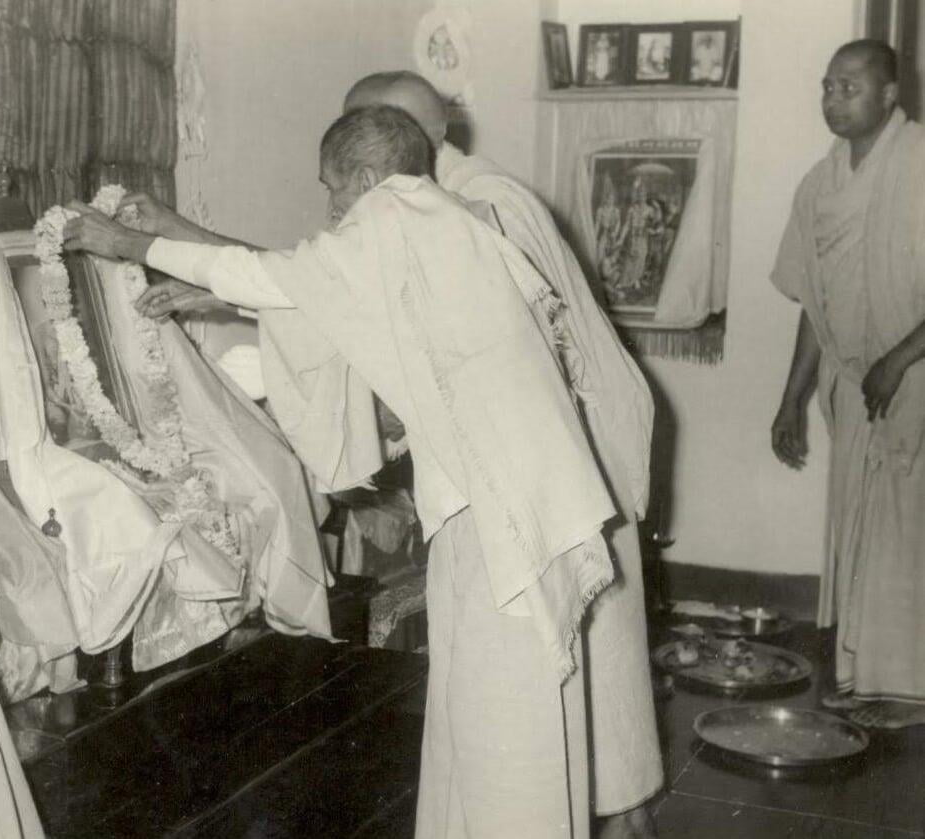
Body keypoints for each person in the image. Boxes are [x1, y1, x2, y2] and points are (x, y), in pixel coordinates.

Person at [66, 105, 618, 838]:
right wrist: (217, 295)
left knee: (500, 721)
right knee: (474, 713)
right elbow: (339, 311)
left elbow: (285, 275)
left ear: (363, 177)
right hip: (499, 500)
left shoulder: (394, 213)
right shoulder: (436, 219)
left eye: (331, 190)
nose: (329, 210)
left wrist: (132, 242)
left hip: (503, 513)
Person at [345, 71, 661, 838]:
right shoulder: (436, 201)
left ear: (424, 138)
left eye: (373, 139)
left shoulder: (483, 205)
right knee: (584, 679)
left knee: (578, 678)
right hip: (550, 466)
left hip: (570, 465)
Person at [770, 39, 925, 730]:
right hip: (856, 387)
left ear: (889, 95)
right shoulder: (819, 185)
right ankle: (868, 679)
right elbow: (815, 300)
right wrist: (792, 397)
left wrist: (899, 359)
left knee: (907, 532)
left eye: (850, 88)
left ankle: (909, 691)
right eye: (827, 86)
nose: (833, 99)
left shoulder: (920, 164)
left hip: (915, 377)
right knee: (862, 531)